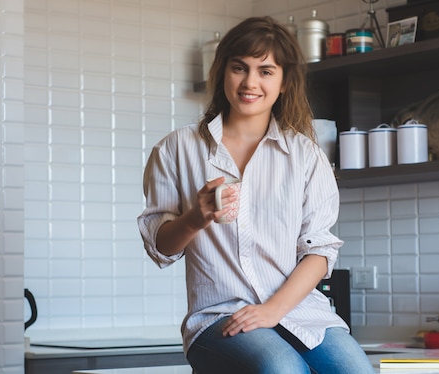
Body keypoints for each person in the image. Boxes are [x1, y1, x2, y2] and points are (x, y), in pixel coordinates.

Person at [137, 16, 374, 374]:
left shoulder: (306, 156)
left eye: (265, 71)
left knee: (356, 371)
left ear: (283, 82)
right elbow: (162, 248)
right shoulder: (177, 149)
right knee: (281, 368)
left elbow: (319, 251)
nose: (250, 82)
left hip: (298, 312)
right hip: (218, 317)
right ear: (222, 73)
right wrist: (194, 218)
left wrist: (272, 310)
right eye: (239, 68)